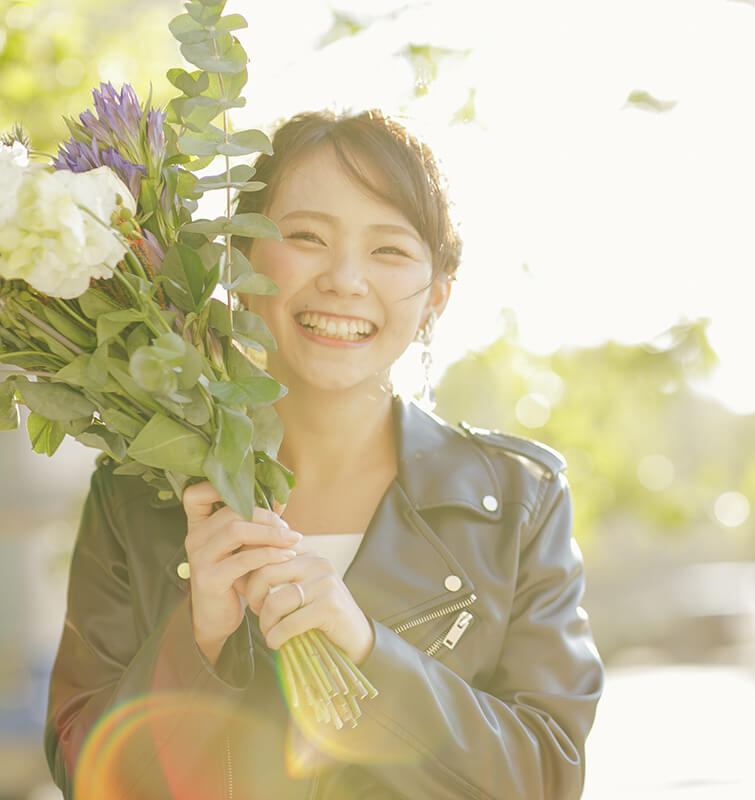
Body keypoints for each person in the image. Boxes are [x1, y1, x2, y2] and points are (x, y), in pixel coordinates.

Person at [44, 109, 604, 799]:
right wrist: (199, 641)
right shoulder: (138, 493)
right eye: (306, 236)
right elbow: (82, 773)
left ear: (436, 295)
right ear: (241, 258)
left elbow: (546, 776)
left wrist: (366, 648)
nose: (344, 278)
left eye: (389, 249)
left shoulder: (520, 502)